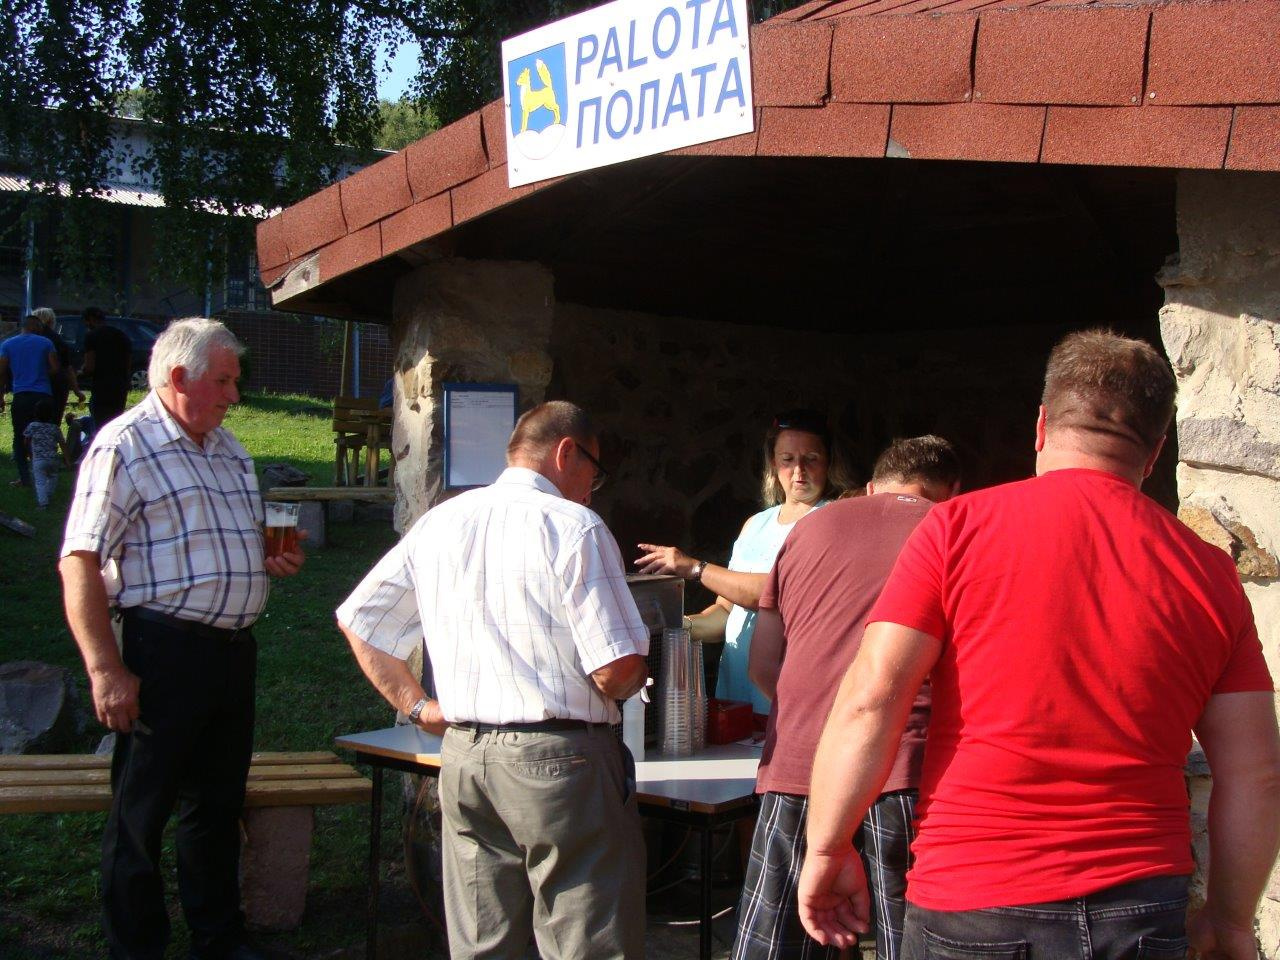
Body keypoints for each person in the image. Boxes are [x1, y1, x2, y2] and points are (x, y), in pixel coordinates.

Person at [798, 331, 1280, 960]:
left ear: (1042, 425)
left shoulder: (954, 529)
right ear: (1156, 450)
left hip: (974, 899)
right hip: (1139, 906)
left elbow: (870, 699)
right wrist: (1231, 921)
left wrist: (828, 847)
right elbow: (1256, 775)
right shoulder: (1209, 571)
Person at [337, 400, 650, 960]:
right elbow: (614, 669)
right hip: (561, 764)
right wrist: (640, 672)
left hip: (465, 758)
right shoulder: (574, 526)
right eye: (594, 472)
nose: (591, 489)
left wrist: (418, 707)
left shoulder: (440, 521)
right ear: (566, 452)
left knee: (483, 946)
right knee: (588, 945)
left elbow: (361, 621)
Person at [59, 317, 305, 960]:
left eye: (234, 381)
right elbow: (80, 560)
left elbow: (228, 539)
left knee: (216, 807)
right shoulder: (124, 445)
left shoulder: (230, 449)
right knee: (140, 814)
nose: (234, 395)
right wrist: (105, 671)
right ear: (177, 377)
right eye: (222, 381)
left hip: (232, 653)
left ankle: (218, 939)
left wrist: (269, 557)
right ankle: (137, 947)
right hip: (162, 652)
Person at [735, 436, 960, 960]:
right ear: (951, 491)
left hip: (801, 762)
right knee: (910, 942)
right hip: (906, 765)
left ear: (872, 486)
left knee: (779, 945)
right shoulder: (953, 526)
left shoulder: (808, 527)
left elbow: (763, 666)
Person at [635, 408, 846, 717]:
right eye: (787, 459)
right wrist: (668, 627)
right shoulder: (756, 525)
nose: (798, 470)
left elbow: (771, 593)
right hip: (736, 694)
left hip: (787, 700)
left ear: (829, 462)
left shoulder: (831, 520)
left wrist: (694, 568)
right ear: (773, 464)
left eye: (811, 459)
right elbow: (725, 613)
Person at [0, 312, 59, 487]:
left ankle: (24, 478)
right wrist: (41, 374)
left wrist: (1, 395)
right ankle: (45, 476)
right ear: (35, 326)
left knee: (20, 436)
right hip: (43, 395)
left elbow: (1, 372)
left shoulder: (7, 344)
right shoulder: (46, 342)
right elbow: (55, 368)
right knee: (44, 435)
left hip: (21, 396)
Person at [81, 306, 132, 435]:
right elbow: (128, 364)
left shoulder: (91, 336)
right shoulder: (121, 335)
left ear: (90, 319)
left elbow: (89, 367)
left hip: (101, 387)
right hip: (120, 387)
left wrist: (80, 373)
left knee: (100, 427)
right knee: (115, 425)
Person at [32, 306, 84, 420]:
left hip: (32, 387)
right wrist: (77, 391)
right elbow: (67, 367)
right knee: (53, 419)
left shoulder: (28, 339)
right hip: (56, 386)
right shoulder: (57, 340)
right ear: (51, 321)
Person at [23, 397, 67, 509]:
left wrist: (28, 453)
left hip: (38, 459)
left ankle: (43, 503)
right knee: (53, 476)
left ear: (35, 413)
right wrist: (67, 459)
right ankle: (48, 494)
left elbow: (26, 440)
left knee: (40, 482)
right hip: (53, 458)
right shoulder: (55, 428)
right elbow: (62, 443)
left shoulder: (33, 426)